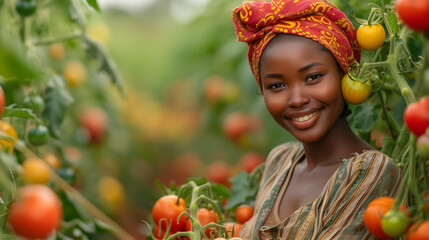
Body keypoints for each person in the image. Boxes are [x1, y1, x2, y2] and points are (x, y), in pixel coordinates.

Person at [231, 0, 402, 239]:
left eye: (313, 77)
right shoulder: (280, 161)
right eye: (277, 85)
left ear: (344, 73)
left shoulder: (371, 172)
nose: (297, 99)